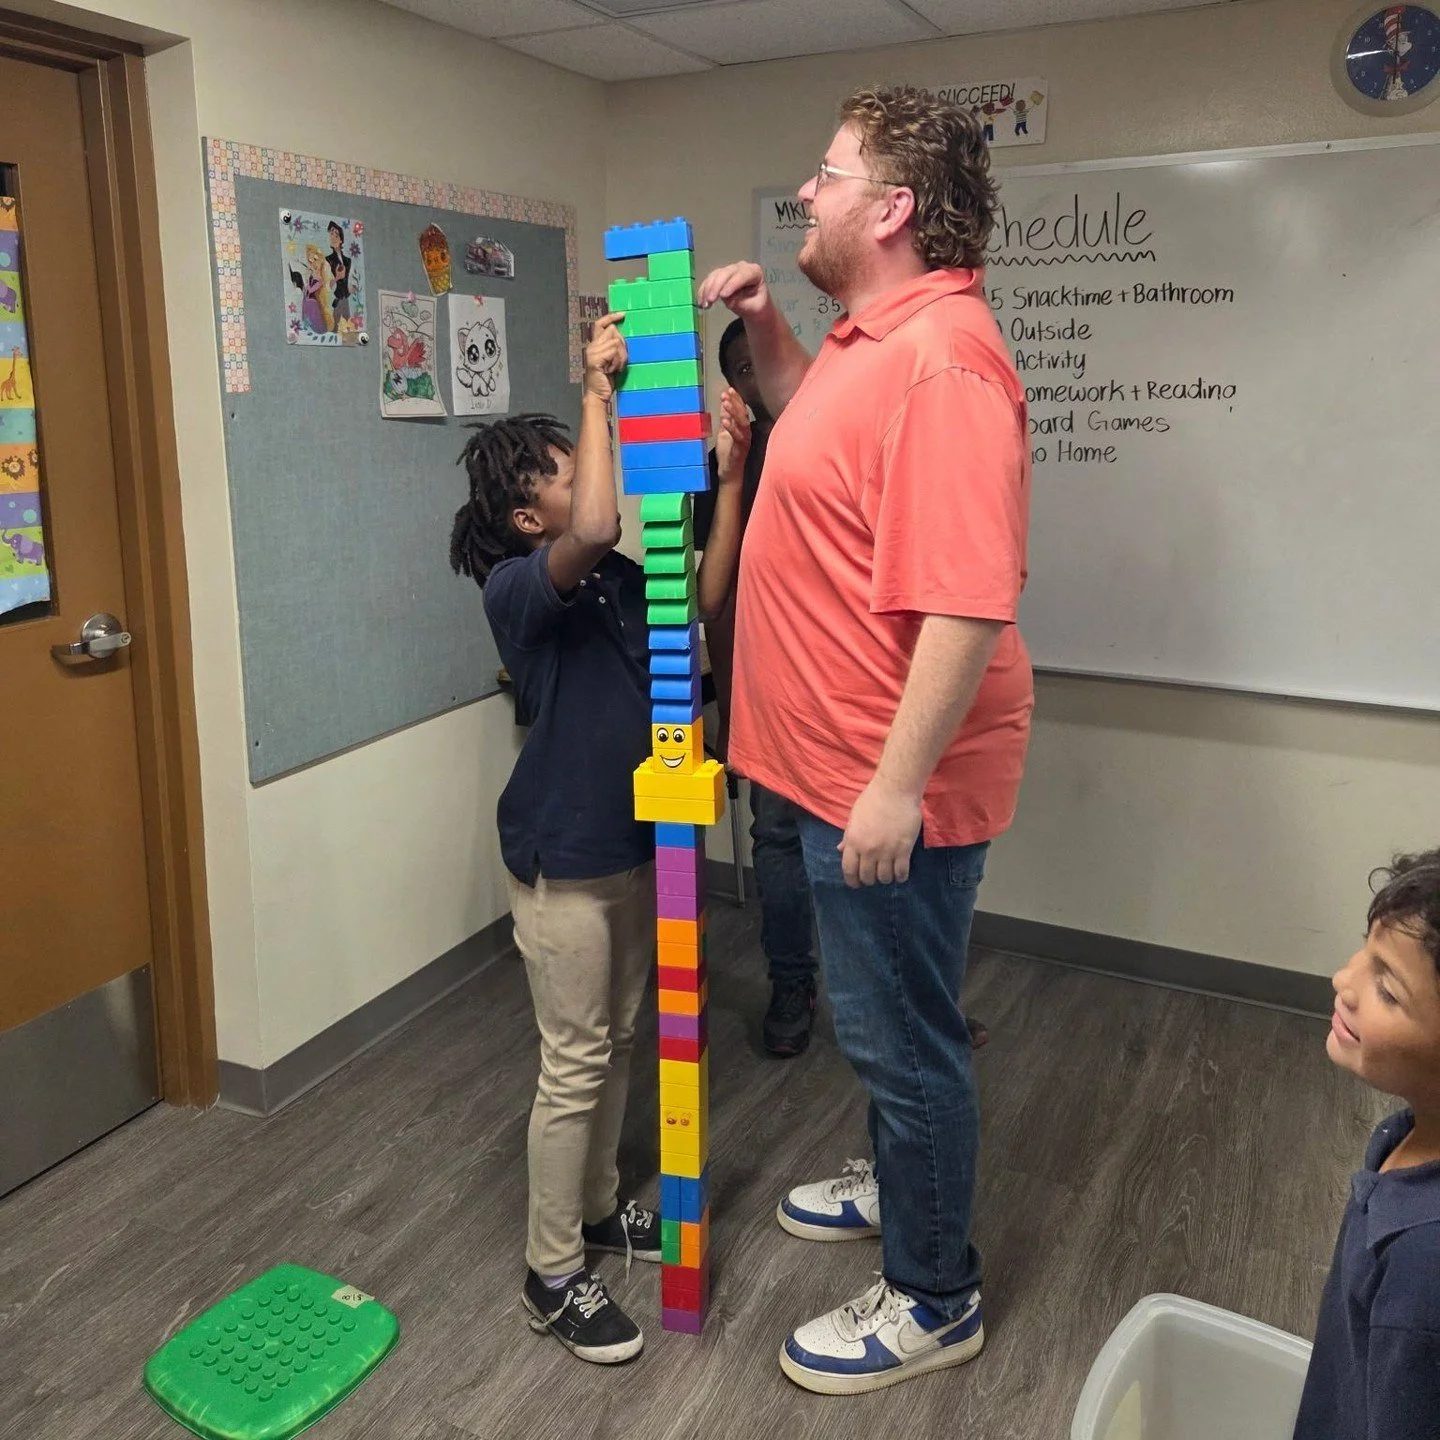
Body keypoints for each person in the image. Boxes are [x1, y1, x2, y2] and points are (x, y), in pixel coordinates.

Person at [697, 84, 1032, 1393]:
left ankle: (936, 1296)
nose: (808, 192)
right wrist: (766, 329)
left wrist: (893, 793)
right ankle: (901, 1183)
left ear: (890, 207)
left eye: (828, 174)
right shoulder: (864, 336)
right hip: (834, 767)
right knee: (886, 1023)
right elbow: (811, 426)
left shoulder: (944, 360)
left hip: (876, 788)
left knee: (906, 1043)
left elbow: (965, 599)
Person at [450, 314, 750, 1366]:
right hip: (563, 864)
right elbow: (601, 515)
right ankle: (551, 1274)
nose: (590, 477)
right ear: (531, 512)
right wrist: (596, 388)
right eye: (569, 471)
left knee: (620, 1039)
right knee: (575, 1064)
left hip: (637, 850)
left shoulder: (622, 579)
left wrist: (737, 469)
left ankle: (598, 1208)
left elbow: (708, 597)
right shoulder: (520, 589)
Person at [694, 319, 821, 1057]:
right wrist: (736, 713)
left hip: (843, 684)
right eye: (739, 367)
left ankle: (909, 995)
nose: (753, 378)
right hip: (768, 690)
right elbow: (717, 598)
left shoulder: (830, 438)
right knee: (777, 837)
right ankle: (791, 982)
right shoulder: (726, 469)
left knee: (878, 846)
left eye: (763, 363)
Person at [1292, 849, 1440, 1440]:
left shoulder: (1421, 1266)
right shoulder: (1406, 1133)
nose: (1342, 981)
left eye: (1388, 990)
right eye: (1365, 950)